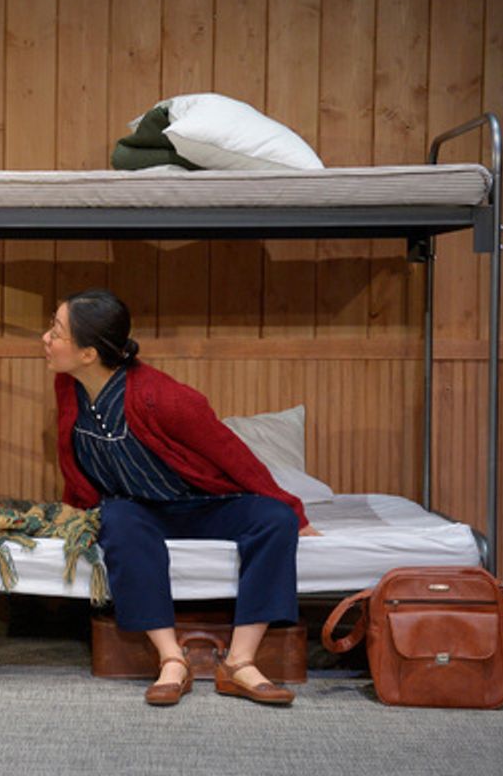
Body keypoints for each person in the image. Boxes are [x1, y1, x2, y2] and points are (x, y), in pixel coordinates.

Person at [43, 288, 321, 705]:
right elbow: (73, 459)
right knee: (116, 519)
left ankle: (240, 662)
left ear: (88, 354)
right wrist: (73, 512)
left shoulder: (164, 398)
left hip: (200, 505)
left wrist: (293, 511)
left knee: (274, 520)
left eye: (56, 331)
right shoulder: (69, 385)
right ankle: (172, 658)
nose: (46, 338)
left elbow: (232, 454)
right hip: (138, 511)